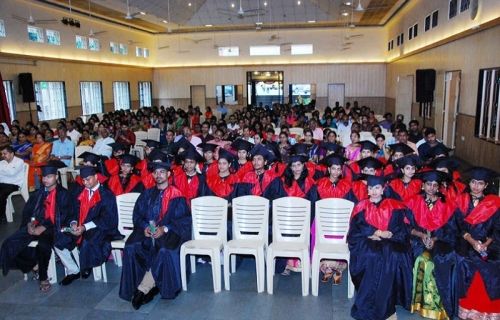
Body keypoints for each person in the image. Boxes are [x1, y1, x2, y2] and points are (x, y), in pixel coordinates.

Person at [119, 160, 192, 309]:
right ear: (152, 174)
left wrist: (164, 228)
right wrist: (145, 227)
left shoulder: (177, 195)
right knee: (132, 246)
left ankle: (145, 288)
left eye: (162, 172)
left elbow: (184, 220)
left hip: (169, 232)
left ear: (169, 174)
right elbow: (137, 216)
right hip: (147, 233)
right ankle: (138, 287)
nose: (158, 175)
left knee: (165, 250)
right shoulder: (146, 194)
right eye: (156, 172)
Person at [0, 160, 76, 292]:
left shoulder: (64, 194)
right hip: (36, 225)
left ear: (56, 177)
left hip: (55, 227)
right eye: (43, 177)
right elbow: (29, 212)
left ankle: (43, 277)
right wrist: (30, 224)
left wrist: (44, 227)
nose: (45, 180)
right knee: (9, 245)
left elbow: (65, 216)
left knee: (43, 245)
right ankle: (33, 265)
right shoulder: (38, 193)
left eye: (49, 176)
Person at [347, 175, 412, 320]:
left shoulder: (393, 206)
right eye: (370, 188)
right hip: (365, 243)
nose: (374, 191)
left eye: (377, 188)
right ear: (367, 190)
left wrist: (390, 234)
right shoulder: (361, 206)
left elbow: (401, 228)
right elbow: (355, 230)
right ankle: (371, 304)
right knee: (373, 255)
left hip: (388, 242)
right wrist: (373, 232)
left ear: (383, 189)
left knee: (389, 256)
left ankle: (386, 305)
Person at [406, 170, 459, 319]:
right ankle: (421, 303)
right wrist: (422, 235)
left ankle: (439, 305)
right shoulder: (413, 201)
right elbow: (405, 226)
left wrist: (434, 239)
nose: (431, 188)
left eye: (435, 185)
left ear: (439, 188)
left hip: (440, 241)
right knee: (422, 260)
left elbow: (451, 230)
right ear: (423, 186)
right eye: (428, 184)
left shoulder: (447, 205)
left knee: (442, 259)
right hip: (417, 240)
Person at [455, 167, 500, 319]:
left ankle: (486, 310)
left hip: (487, 243)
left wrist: (485, 244)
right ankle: (467, 308)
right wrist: (472, 241)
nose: (476, 186)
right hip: (464, 241)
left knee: (492, 263)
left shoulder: (494, 203)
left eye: (480, 183)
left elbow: (497, 229)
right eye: (474, 182)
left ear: (486, 186)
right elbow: (457, 225)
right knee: (466, 261)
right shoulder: (461, 200)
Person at [72, 166, 119, 279]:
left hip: (103, 227)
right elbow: (72, 211)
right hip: (81, 225)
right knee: (60, 234)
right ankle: (72, 268)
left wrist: (85, 227)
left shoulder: (106, 194)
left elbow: (108, 219)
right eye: (83, 180)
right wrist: (73, 223)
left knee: (90, 237)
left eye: (88, 179)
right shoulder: (79, 192)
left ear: (96, 177)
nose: (86, 182)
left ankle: (87, 264)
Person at [0, 146, 25, 224]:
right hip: (2, 183)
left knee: (1, 194)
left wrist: (3, 171)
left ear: (12, 154)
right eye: (2, 154)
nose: (3, 155)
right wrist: (6, 171)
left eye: (5, 153)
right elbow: (9, 172)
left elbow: (12, 173)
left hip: (14, 184)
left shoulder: (19, 161)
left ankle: (2, 216)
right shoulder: (2, 162)